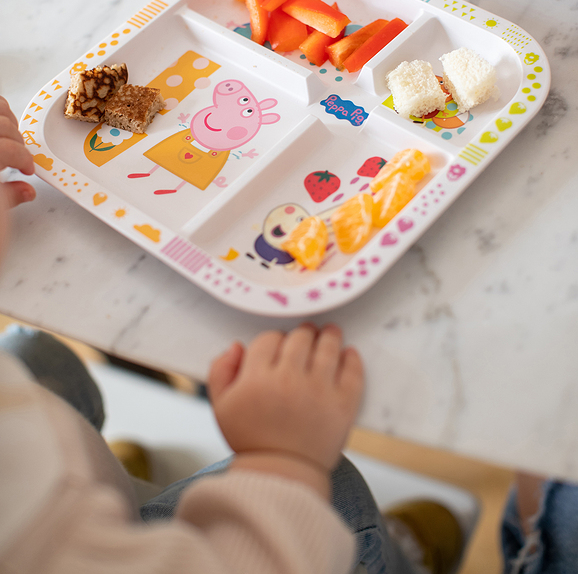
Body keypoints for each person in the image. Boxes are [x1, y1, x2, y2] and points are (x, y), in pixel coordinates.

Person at [1, 93, 565, 574]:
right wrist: (281, 460)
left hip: (51, 490)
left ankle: (108, 492)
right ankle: (394, 555)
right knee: (336, 491)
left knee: (38, 356)